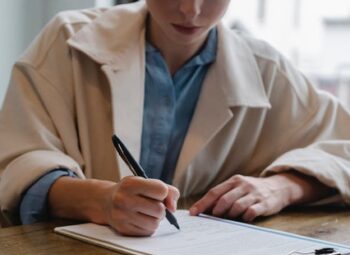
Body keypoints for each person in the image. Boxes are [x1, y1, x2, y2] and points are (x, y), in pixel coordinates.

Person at [0, 0, 349, 235]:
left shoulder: (268, 71)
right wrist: (100, 201)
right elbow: (16, 164)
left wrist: (282, 186)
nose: (190, 9)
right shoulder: (66, 40)